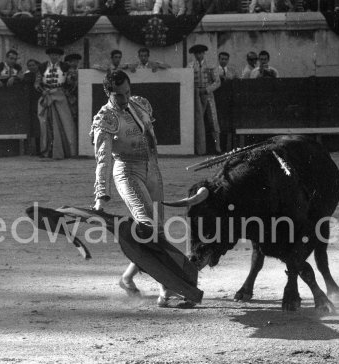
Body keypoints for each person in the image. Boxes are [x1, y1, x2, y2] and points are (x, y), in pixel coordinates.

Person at [90, 70, 178, 307]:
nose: (125, 98)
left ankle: (127, 279)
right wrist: (101, 196)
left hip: (152, 170)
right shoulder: (105, 118)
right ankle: (166, 288)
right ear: (109, 93)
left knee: (156, 231)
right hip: (127, 173)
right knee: (149, 227)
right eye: (119, 95)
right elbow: (103, 158)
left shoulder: (140, 104)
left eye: (128, 92)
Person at [35, 47, 78, 159]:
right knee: (46, 123)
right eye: (52, 55)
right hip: (47, 95)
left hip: (60, 95)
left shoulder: (66, 67)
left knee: (66, 121)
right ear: (49, 55)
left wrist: (67, 88)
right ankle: (47, 151)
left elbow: (73, 83)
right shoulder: (42, 66)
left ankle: (69, 151)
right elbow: (37, 83)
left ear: (59, 56)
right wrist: (43, 91)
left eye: (56, 55)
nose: (54, 57)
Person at [188, 44, 221, 155]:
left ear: (203, 53)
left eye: (200, 53)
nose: (198, 55)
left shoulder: (211, 65)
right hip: (196, 97)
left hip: (208, 96)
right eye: (196, 53)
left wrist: (206, 90)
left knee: (213, 122)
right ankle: (197, 149)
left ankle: (217, 147)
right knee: (197, 122)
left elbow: (217, 82)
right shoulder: (190, 66)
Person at [63, 53, 82, 122]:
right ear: (69, 62)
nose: (75, 63)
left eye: (77, 61)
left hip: (78, 95)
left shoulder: (80, 71)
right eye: (73, 61)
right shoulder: (65, 72)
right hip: (69, 95)